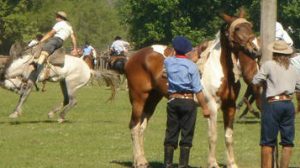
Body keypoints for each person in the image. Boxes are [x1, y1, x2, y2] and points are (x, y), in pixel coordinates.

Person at [163, 36, 210, 168]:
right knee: (187, 132)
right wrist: (205, 107)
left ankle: (168, 164)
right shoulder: (192, 66)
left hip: (172, 101)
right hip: (188, 102)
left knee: (171, 131)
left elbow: (171, 57)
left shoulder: (168, 63)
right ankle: (183, 165)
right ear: (188, 51)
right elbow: (198, 90)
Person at [252, 40, 300, 168]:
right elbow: (299, 87)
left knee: (267, 142)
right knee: (288, 142)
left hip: (273, 104)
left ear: (274, 52)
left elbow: (255, 80)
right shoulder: (293, 68)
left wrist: (265, 82)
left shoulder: (268, 65)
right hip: (288, 104)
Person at [28, 11, 78, 84]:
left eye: (57, 16)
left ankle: (36, 75)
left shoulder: (60, 24)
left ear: (60, 18)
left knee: (43, 54)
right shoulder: (69, 26)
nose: (56, 17)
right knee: (45, 53)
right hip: (60, 42)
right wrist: (75, 48)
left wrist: (41, 41)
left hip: (55, 40)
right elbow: (73, 38)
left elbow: (51, 33)